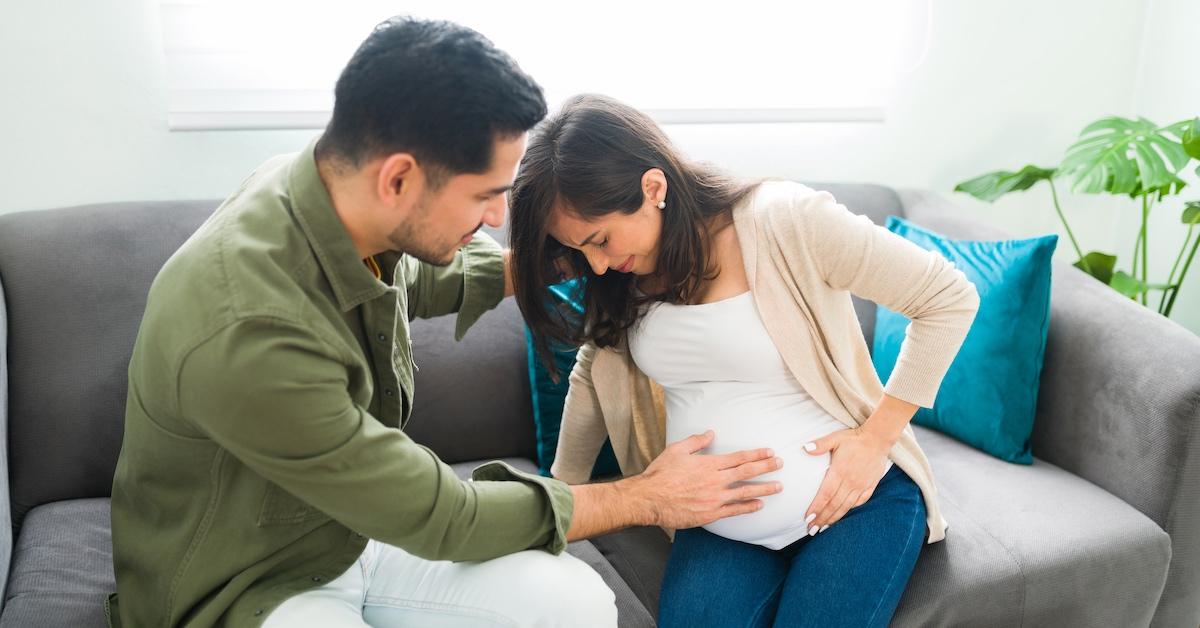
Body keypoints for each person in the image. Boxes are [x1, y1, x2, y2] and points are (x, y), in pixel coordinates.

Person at [106, 19, 783, 628]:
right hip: (245, 583)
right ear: (398, 178)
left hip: (349, 533)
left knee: (577, 604)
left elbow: (433, 274)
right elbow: (440, 516)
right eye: (486, 195)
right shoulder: (250, 328)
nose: (495, 217)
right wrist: (647, 498)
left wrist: (581, 253)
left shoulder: (328, 196)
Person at [509, 94, 980, 628]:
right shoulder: (621, 278)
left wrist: (875, 441)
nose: (595, 264)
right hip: (715, 523)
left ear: (653, 187)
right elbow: (592, 377)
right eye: (580, 248)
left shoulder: (786, 222)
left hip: (855, 501)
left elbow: (948, 298)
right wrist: (560, 501)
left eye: (600, 240)